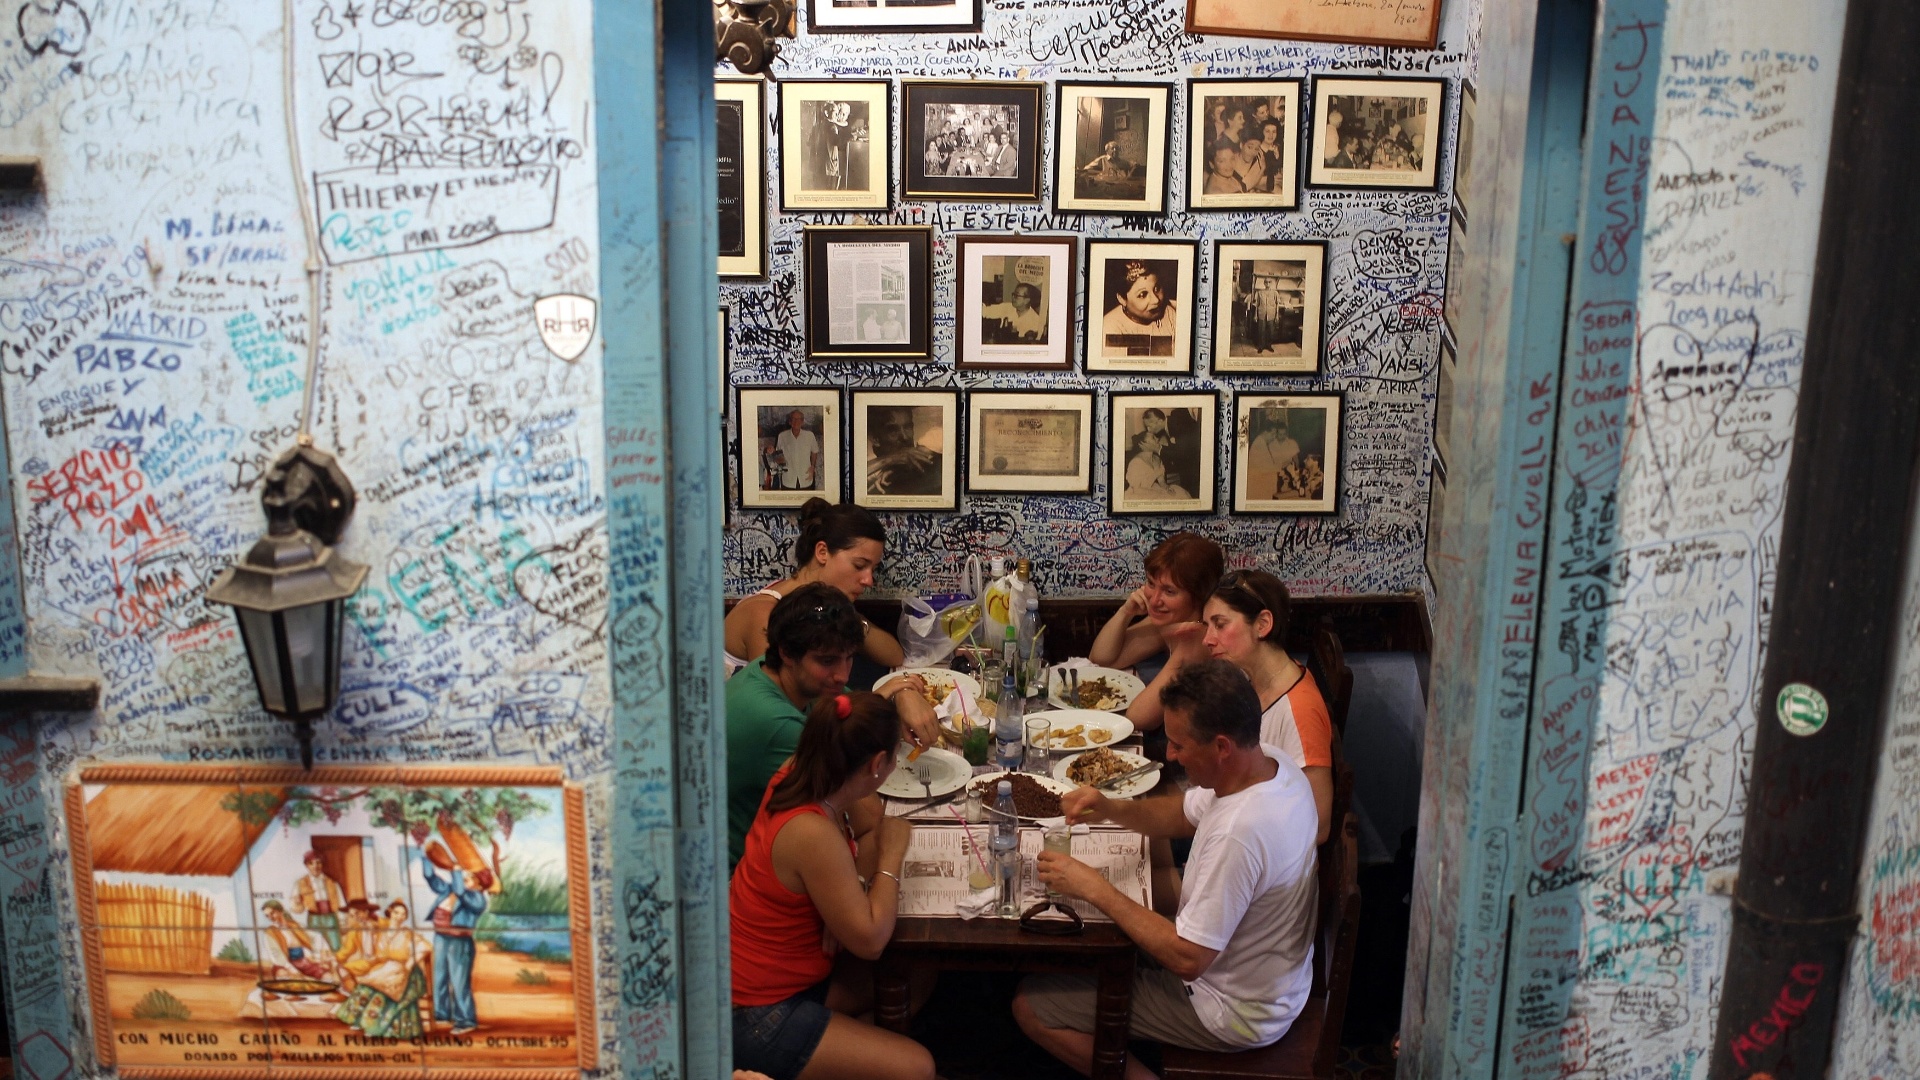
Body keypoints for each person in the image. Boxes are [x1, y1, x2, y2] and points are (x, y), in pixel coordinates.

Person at [1015, 661, 1319, 1074]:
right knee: (1097, 933)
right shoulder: (1271, 764)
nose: (1171, 755)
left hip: (1231, 1008)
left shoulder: (1241, 833)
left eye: (1179, 744)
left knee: (1031, 1005)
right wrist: (1110, 809)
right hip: (1265, 976)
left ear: (1222, 747)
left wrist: (1093, 887)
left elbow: (1187, 958)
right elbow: (1180, 814)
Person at [730, 691, 937, 1080]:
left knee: (921, 972)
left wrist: (851, 887)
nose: (895, 766)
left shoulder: (806, 769)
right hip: (757, 1008)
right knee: (918, 1067)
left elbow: (870, 821)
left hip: (789, 973)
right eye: (894, 757)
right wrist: (892, 855)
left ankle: (845, 1051)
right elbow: (870, 940)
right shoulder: (811, 832)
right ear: (876, 763)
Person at [724, 583, 938, 867]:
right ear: (787, 652)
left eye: (849, 658)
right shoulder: (776, 723)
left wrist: (901, 693)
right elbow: (867, 816)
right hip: (737, 874)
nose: (842, 676)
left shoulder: (775, 668)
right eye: (827, 661)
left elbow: (849, 710)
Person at [1203, 570, 1335, 844]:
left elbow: (1318, 826)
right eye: (1207, 626)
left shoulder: (1300, 710)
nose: (1208, 639)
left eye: (1220, 624)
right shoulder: (1252, 678)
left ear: (1262, 624)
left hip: (1261, 855)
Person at [723, 499, 912, 675]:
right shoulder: (765, 614)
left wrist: (852, 619)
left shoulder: (824, 605)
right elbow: (776, 693)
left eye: (873, 569)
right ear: (822, 552)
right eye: (859, 565)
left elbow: (894, 656)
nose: (869, 580)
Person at [1088, 531, 1224, 731]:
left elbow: (1138, 718)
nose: (1154, 600)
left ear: (1198, 596)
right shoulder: (1173, 620)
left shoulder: (1202, 638)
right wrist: (1125, 612)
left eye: (1169, 591)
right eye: (1151, 583)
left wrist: (1182, 654)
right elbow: (1101, 659)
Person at [421, 841, 490, 1035]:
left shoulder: (477, 898)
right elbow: (432, 879)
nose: (465, 878)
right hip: (441, 937)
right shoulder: (449, 889)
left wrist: (456, 871)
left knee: (459, 982)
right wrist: (427, 859)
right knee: (440, 977)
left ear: (479, 883)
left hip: (460, 942)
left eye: (470, 877)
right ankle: (441, 1014)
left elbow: (460, 892)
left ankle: (466, 1020)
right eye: (466, 876)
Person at [335, 899, 430, 1038]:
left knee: (383, 987)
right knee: (367, 985)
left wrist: (409, 963)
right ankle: (359, 1020)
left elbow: (425, 947)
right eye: (396, 913)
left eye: (403, 914)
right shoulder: (382, 932)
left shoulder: (406, 933)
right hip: (385, 967)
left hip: (405, 971)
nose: (399, 917)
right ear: (390, 912)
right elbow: (375, 953)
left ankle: (373, 1025)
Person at [1101, 261, 1179, 357]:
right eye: (1142, 294)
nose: (1156, 300)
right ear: (1122, 299)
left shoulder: (1169, 312)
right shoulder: (1109, 329)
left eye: (1156, 289)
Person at [865, 406, 942, 497]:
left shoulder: (928, 448)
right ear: (875, 439)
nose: (905, 437)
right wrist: (890, 459)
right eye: (893, 430)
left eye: (908, 427)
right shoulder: (870, 476)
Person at [292, 850, 346, 949]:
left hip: (331, 918)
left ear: (322, 864)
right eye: (311, 863)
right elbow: (296, 909)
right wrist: (297, 903)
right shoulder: (300, 883)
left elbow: (342, 904)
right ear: (306, 865)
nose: (315, 866)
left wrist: (343, 922)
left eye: (318, 863)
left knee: (335, 945)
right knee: (318, 946)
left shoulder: (333, 883)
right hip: (314, 919)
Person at [1124, 428, 1190, 503]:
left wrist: (1167, 488)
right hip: (1139, 494)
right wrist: (1156, 494)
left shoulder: (1157, 459)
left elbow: (1161, 482)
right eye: (1153, 438)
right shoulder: (1136, 462)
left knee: (1180, 495)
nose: (1157, 439)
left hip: (1155, 489)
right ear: (1143, 444)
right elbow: (1136, 488)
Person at [980, 279, 1047, 343]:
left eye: (1016, 295)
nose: (1013, 297)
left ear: (1027, 300)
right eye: (1013, 294)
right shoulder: (1007, 307)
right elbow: (984, 311)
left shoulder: (1036, 321)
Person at [774, 410, 821, 491]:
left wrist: (813, 466)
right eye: (794, 419)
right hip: (788, 478)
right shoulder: (782, 436)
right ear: (790, 421)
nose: (796, 422)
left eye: (799, 419)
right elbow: (778, 454)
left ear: (802, 422)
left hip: (806, 477)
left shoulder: (810, 435)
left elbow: (815, 451)